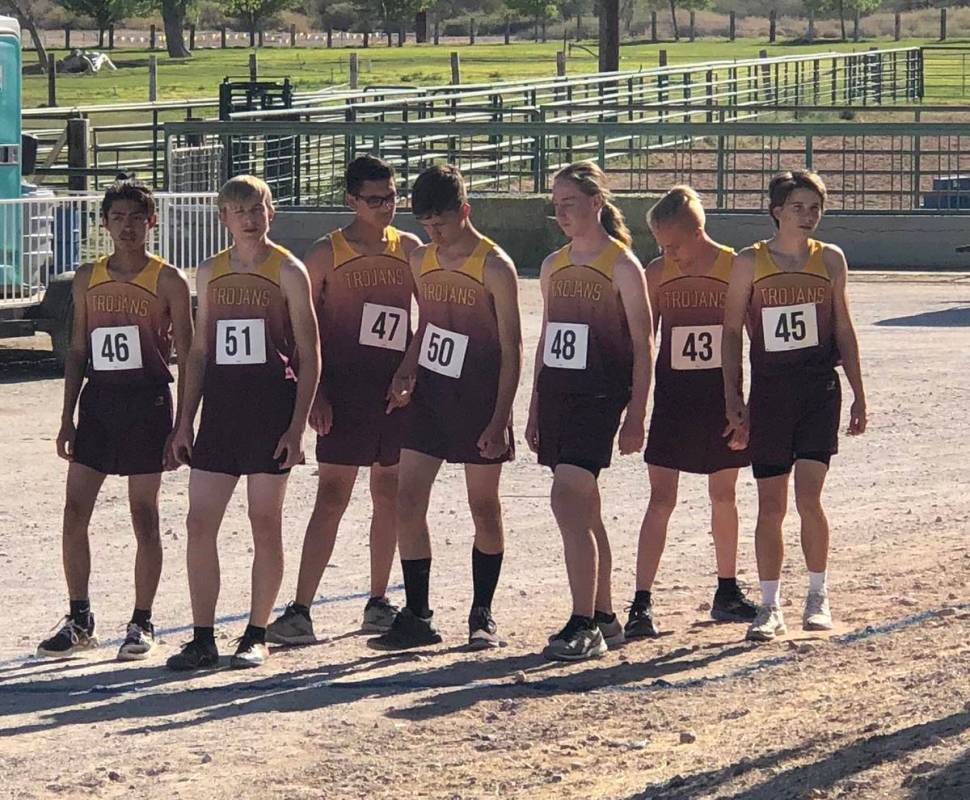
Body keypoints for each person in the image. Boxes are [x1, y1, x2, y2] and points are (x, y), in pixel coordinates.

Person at [166, 175, 320, 670]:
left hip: (270, 411)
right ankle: (202, 636)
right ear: (223, 219)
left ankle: (256, 632)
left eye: (257, 208)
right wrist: (183, 421)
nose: (249, 218)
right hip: (221, 414)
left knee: (263, 521)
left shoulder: (289, 271)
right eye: (238, 211)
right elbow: (199, 350)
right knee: (199, 522)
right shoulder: (208, 272)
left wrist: (296, 428)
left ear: (271, 211)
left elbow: (311, 353)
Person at [267, 156, 421, 644]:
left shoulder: (412, 249)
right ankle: (301, 609)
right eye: (375, 200)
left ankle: (379, 601)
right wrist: (316, 393)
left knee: (389, 495)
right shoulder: (324, 254)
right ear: (351, 201)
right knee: (331, 496)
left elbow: (431, 315)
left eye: (393, 197)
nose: (387, 207)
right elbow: (300, 328)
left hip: (393, 393)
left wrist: (409, 367)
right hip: (343, 391)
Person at [369, 165, 522, 651]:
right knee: (407, 500)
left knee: (483, 506)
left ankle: (482, 613)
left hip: (479, 397)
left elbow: (513, 349)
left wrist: (501, 418)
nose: (433, 234)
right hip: (432, 396)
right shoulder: (423, 260)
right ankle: (417, 614)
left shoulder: (495, 266)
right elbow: (427, 324)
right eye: (427, 226)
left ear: (465, 211)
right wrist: (405, 370)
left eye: (442, 224)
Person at [39, 179, 192, 661]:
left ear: (153, 222)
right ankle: (79, 616)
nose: (127, 227)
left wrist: (184, 422)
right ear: (104, 223)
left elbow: (189, 356)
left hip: (147, 403)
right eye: (118, 217)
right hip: (99, 404)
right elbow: (79, 348)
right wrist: (66, 417)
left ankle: (142, 621)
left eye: (136, 217)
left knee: (144, 515)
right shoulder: (87, 278)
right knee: (73, 512)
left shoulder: (169, 280)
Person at [722, 170, 867, 643]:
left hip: (818, 391)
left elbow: (843, 328)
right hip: (770, 394)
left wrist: (860, 393)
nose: (808, 216)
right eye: (799, 207)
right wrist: (734, 398)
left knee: (810, 497)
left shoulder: (831, 260)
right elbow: (729, 335)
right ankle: (768, 605)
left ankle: (817, 595)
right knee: (771, 504)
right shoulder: (749, 262)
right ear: (776, 211)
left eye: (815, 207)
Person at [525, 161, 653, 662]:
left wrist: (637, 412)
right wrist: (534, 405)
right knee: (584, 509)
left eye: (569, 203)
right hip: (558, 396)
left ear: (596, 203)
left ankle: (583, 624)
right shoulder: (554, 265)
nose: (560, 213)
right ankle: (603, 615)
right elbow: (547, 339)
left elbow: (644, 345)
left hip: (598, 397)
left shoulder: (623, 266)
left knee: (568, 502)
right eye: (555, 205)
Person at [626, 186, 757, 639]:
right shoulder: (657, 274)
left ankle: (727, 589)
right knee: (660, 498)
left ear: (698, 231)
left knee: (724, 494)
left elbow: (749, 338)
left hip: (721, 400)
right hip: (674, 401)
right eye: (661, 246)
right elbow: (644, 344)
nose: (668, 254)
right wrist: (636, 410)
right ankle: (640, 601)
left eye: (674, 244)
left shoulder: (735, 268)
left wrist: (743, 404)